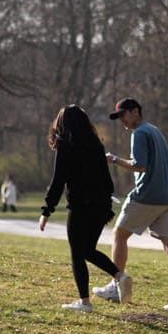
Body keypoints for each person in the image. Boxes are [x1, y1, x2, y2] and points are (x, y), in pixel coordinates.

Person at [94, 98, 168, 312]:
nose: (122, 121)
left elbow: (139, 166)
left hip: (148, 196)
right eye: (118, 117)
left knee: (119, 235)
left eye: (123, 115)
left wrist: (113, 159)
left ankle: (115, 285)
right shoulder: (154, 130)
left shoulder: (139, 133)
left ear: (135, 111)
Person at [38, 106, 121, 313]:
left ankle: (84, 302)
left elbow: (58, 182)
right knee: (87, 250)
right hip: (101, 205)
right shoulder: (96, 145)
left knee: (77, 253)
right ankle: (120, 276)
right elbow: (107, 181)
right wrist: (106, 205)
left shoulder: (66, 146)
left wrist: (46, 211)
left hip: (80, 206)